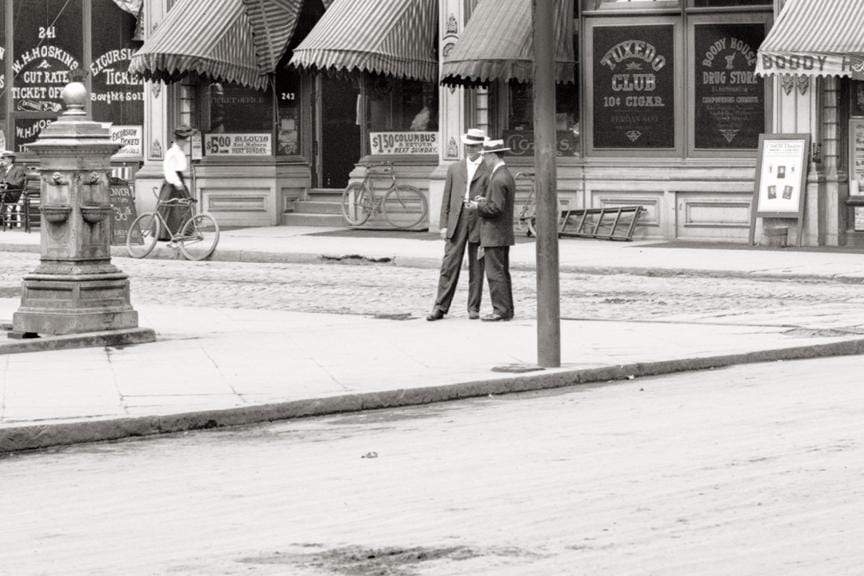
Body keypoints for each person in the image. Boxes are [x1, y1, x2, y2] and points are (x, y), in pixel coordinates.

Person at [426, 128, 490, 321]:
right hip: (457, 219)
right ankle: (440, 306)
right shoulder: (455, 168)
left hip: (477, 218)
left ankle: (473, 307)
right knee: (449, 264)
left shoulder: (488, 169)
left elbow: (490, 199)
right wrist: (443, 225)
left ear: (481, 147)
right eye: (468, 145)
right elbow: (446, 197)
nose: (470, 149)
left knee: (477, 265)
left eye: (474, 146)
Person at [473, 138, 516, 321]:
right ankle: (506, 309)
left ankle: (500, 310)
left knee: (495, 273)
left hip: (494, 233)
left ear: (492, 156)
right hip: (502, 233)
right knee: (502, 272)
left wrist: (477, 206)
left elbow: (496, 209)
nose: (484, 159)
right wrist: (485, 201)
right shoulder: (504, 174)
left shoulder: (498, 178)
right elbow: (498, 204)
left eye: (485, 156)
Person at [158, 126, 194, 239]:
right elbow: (169, 170)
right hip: (172, 183)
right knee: (172, 208)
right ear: (179, 140)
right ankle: (168, 233)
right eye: (184, 139)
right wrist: (177, 183)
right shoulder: (172, 152)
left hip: (178, 179)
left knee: (182, 206)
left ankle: (182, 231)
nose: (186, 142)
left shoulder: (178, 151)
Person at [0, 150, 27, 229]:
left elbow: (18, 184)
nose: (1, 161)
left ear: (10, 159)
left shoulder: (19, 170)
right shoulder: (2, 170)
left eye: (3, 158)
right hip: (2, 193)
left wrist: (7, 183)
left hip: (12, 194)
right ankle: (2, 217)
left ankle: (2, 217)